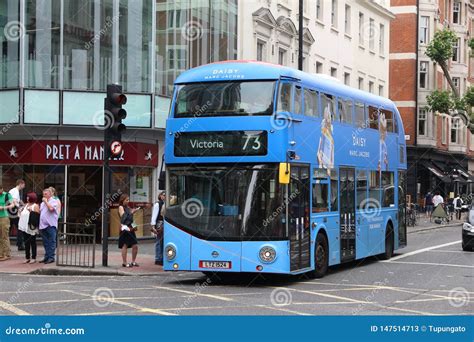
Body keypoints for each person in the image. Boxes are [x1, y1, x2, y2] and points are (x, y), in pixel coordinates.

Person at [118, 194, 141, 267]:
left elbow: (131, 219)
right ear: (122, 200)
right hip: (125, 228)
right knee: (125, 245)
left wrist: (135, 226)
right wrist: (131, 212)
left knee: (135, 245)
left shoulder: (128, 207)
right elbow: (123, 218)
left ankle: (133, 261)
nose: (128, 201)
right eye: (126, 200)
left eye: (128, 200)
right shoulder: (121, 207)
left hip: (131, 228)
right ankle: (124, 262)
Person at [18, 192, 40, 263]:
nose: (27, 198)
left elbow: (37, 216)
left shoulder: (35, 206)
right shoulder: (25, 205)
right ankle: (27, 257)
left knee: (32, 242)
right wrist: (20, 211)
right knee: (26, 242)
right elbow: (20, 215)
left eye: (28, 197)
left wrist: (31, 211)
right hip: (25, 226)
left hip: (31, 227)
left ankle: (33, 257)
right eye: (27, 197)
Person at [39, 188, 59, 264]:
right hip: (43, 225)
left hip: (50, 225)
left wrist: (46, 202)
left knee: (51, 241)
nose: (44, 196)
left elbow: (51, 209)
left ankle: (51, 257)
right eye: (43, 194)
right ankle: (46, 257)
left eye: (46, 194)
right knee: (45, 242)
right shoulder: (42, 203)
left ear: (50, 194)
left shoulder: (54, 201)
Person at [9, 179, 25, 251]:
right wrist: (19, 208)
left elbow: (19, 200)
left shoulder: (13, 190)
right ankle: (20, 244)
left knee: (10, 227)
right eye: (24, 185)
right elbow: (15, 201)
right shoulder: (15, 191)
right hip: (13, 211)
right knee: (20, 227)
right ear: (21, 184)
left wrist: (24, 205)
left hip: (10, 211)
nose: (24, 186)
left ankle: (18, 244)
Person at [151, 191, 166, 265]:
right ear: (160, 196)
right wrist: (153, 226)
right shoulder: (158, 204)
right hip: (160, 223)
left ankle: (162, 258)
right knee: (159, 241)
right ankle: (158, 258)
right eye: (163, 195)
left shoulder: (167, 203)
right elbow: (154, 215)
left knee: (164, 241)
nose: (165, 196)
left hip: (165, 223)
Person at [0, 185, 14, 261]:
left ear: (2, 189)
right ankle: (1, 253)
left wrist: (3, 207)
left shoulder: (7, 195)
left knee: (4, 235)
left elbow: (12, 205)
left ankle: (7, 254)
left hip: (4, 217)